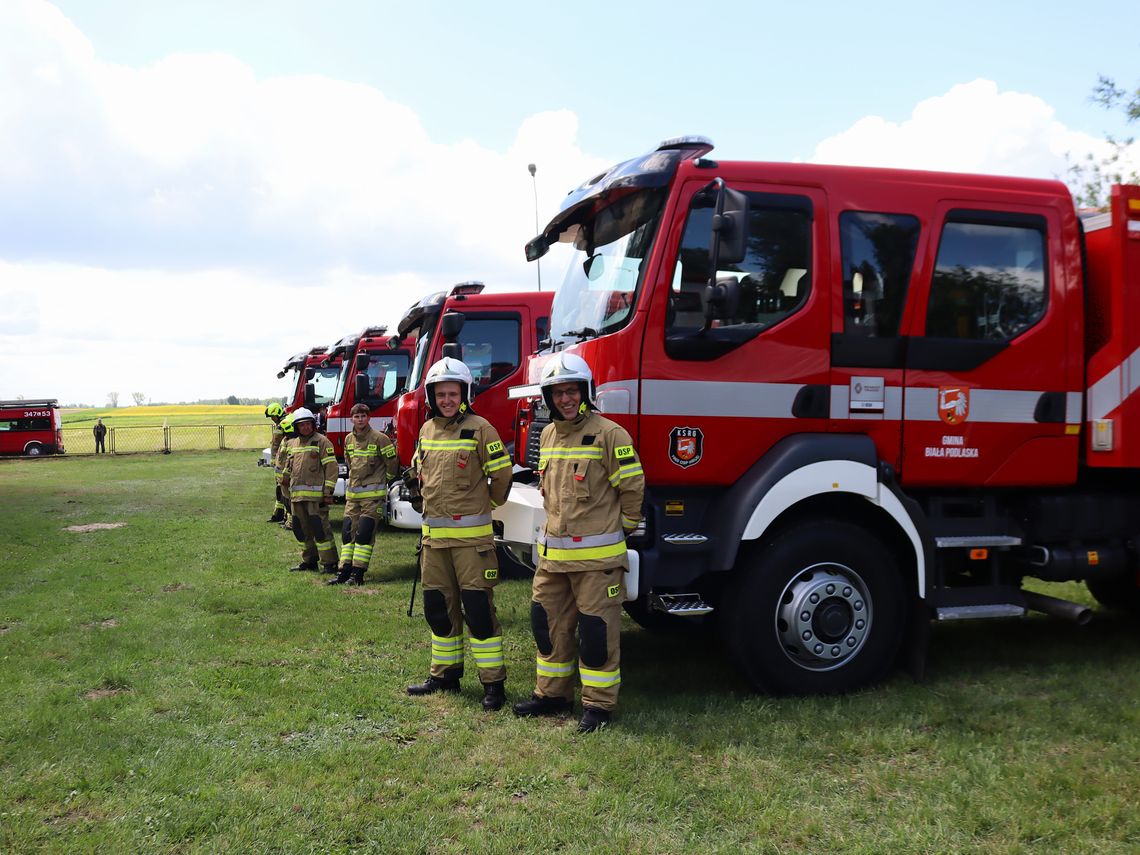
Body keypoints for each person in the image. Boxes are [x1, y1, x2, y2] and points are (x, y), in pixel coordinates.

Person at [512, 353, 645, 733]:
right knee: (547, 625)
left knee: (597, 634)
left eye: (571, 391)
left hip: (597, 563)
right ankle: (552, 695)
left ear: (585, 392)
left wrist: (624, 527)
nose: (565, 399)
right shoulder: (550, 434)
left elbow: (632, 485)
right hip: (553, 559)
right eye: (558, 393)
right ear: (548, 398)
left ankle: (599, 706)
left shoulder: (610, 434)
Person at [406, 357, 513, 711]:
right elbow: (419, 471)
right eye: (441, 394)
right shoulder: (426, 431)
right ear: (431, 397)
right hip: (435, 543)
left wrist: (486, 505)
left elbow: (502, 477)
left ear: (464, 394)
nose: (447, 400)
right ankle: (445, 675)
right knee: (438, 609)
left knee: (479, 611)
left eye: (453, 393)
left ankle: (493, 684)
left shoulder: (481, 428)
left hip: (472, 544)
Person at [328, 403, 399, 586]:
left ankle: (357, 574)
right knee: (347, 533)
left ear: (369, 418)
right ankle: (344, 571)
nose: (360, 420)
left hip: (372, 497)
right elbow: (350, 463)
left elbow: (392, 463)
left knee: (364, 534)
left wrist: (384, 481)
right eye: (356, 416)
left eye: (363, 416)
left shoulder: (380, 439)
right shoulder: (348, 440)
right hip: (353, 497)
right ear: (352, 419)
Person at [282, 407, 340, 573]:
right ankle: (309, 561)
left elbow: (331, 467)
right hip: (296, 497)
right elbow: (288, 466)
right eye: (302, 425)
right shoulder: (292, 443)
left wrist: (328, 492)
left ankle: (329, 563)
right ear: (296, 427)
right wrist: (284, 482)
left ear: (313, 425)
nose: (305, 427)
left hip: (316, 498)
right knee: (301, 530)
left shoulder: (322, 441)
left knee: (320, 530)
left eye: (308, 424)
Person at [265, 403, 288, 522]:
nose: (272, 419)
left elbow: (276, 444)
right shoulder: (282, 424)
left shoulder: (283, 425)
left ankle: (284, 516)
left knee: (282, 489)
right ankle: (278, 513)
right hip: (279, 462)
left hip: (282, 463)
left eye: (272, 416)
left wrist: (275, 460)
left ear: (277, 414)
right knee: (279, 489)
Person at [275, 413, 295, 530]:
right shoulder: (286, 439)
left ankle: (291, 523)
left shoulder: (292, 441)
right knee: (286, 500)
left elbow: (289, 460)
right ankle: (288, 521)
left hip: (287, 476)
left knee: (289, 500)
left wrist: (286, 475)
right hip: (282, 477)